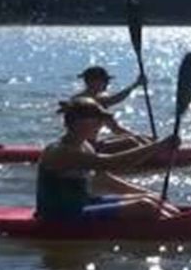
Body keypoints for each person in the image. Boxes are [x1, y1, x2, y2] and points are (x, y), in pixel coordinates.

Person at [36, 97, 180, 222]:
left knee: (152, 200)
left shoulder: (85, 146)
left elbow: (103, 178)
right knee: (145, 206)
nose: (101, 124)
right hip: (58, 216)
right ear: (78, 121)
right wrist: (158, 146)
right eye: (97, 119)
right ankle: (175, 230)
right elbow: (112, 164)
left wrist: (147, 192)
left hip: (82, 203)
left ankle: (176, 222)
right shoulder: (61, 152)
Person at [71, 66, 150, 151]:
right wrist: (135, 85)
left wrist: (141, 138)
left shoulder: (97, 101)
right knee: (132, 142)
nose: (107, 84)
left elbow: (116, 129)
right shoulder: (84, 101)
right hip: (85, 147)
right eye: (105, 81)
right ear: (92, 82)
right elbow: (114, 99)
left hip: (92, 143)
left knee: (139, 139)